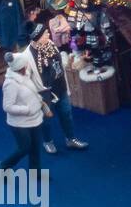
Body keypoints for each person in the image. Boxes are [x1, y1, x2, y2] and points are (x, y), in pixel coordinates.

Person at [27, 21, 88, 153]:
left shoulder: (51, 45)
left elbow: (59, 65)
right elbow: (27, 78)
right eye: (45, 33)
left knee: (66, 114)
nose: (48, 34)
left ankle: (70, 139)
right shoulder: (28, 55)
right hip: (44, 94)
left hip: (60, 87)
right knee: (46, 119)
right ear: (37, 37)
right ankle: (48, 142)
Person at [0, 49, 46, 173]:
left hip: (35, 119)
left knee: (35, 147)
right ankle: (4, 166)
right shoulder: (10, 84)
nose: (27, 65)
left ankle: (35, 171)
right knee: (24, 148)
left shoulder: (25, 76)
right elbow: (7, 106)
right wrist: (27, 110)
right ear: (20, 67)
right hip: (19, 123)